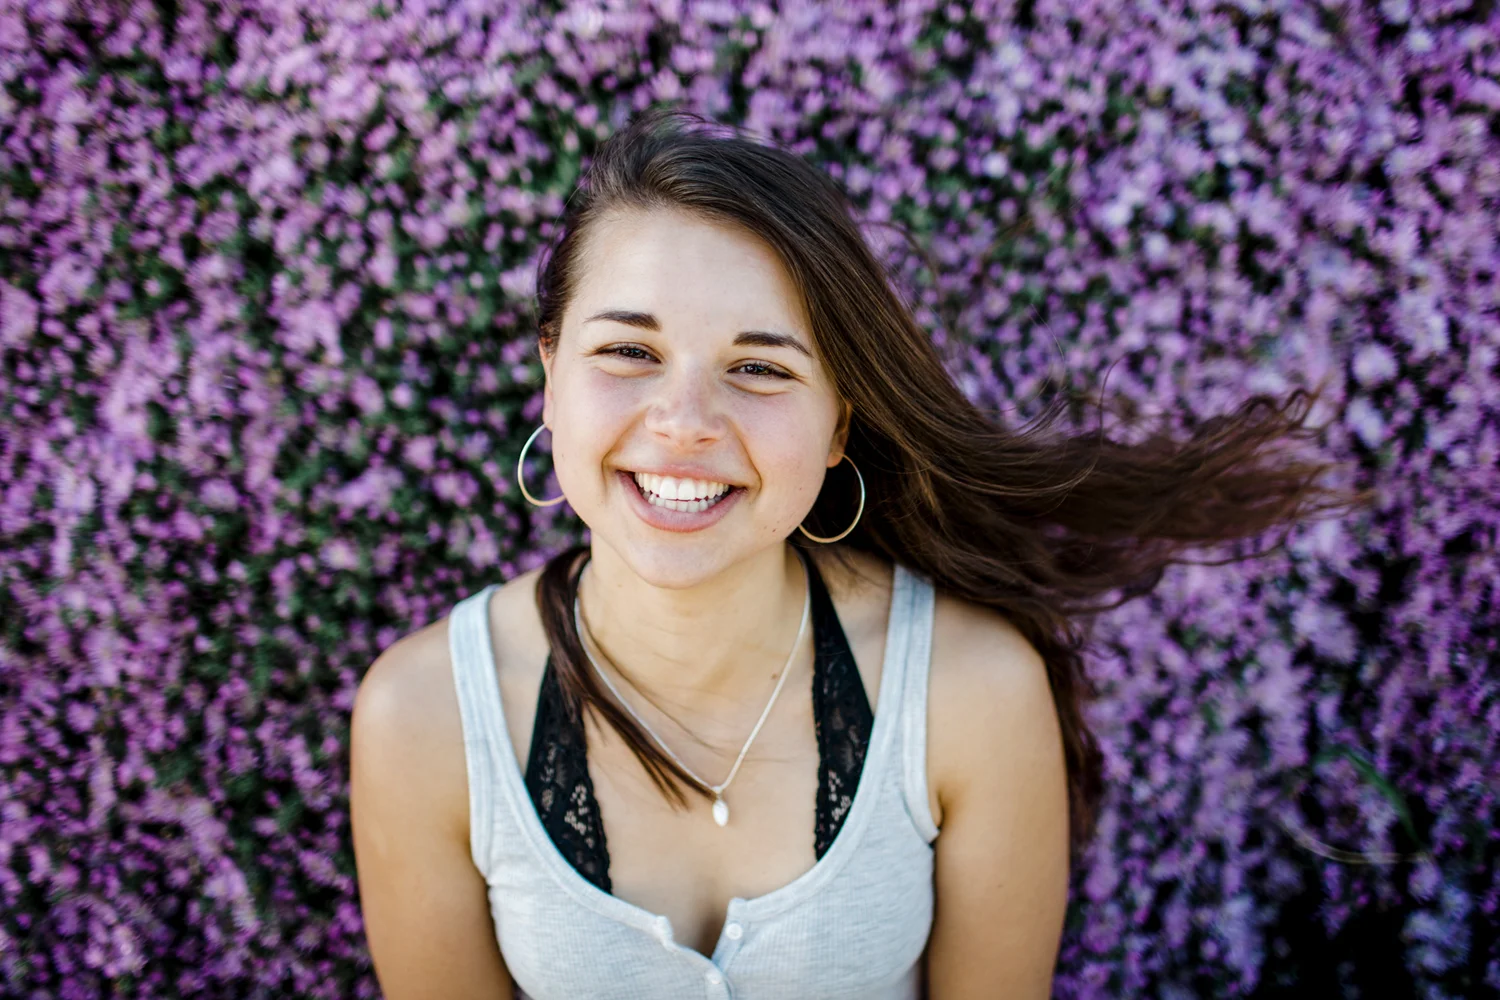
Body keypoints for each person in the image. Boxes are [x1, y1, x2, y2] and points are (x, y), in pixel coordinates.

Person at [349, 108, 1364, 999]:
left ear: (839, 422)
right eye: (628, 351)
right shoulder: (424, 719)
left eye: (760, 368)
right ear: (551, 372)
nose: (685, 421)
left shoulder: (968, 692)